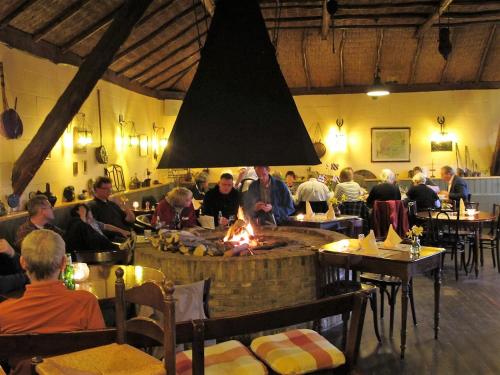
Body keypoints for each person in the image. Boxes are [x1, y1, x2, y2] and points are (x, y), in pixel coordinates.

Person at [0, 230, 105, 334]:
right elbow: (100, 347)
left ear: (23, 262)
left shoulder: (3, 313)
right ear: (63, 263)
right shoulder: (86, 302)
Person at [64, 204, 129, 253]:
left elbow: (106, 226)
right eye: (89, 211)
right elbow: (83, 228)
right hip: (98, 250)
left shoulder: (93, 221)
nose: (91, 213)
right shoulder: (80, 225)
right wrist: (82, 214)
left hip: (106, 245)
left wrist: (122, 231)